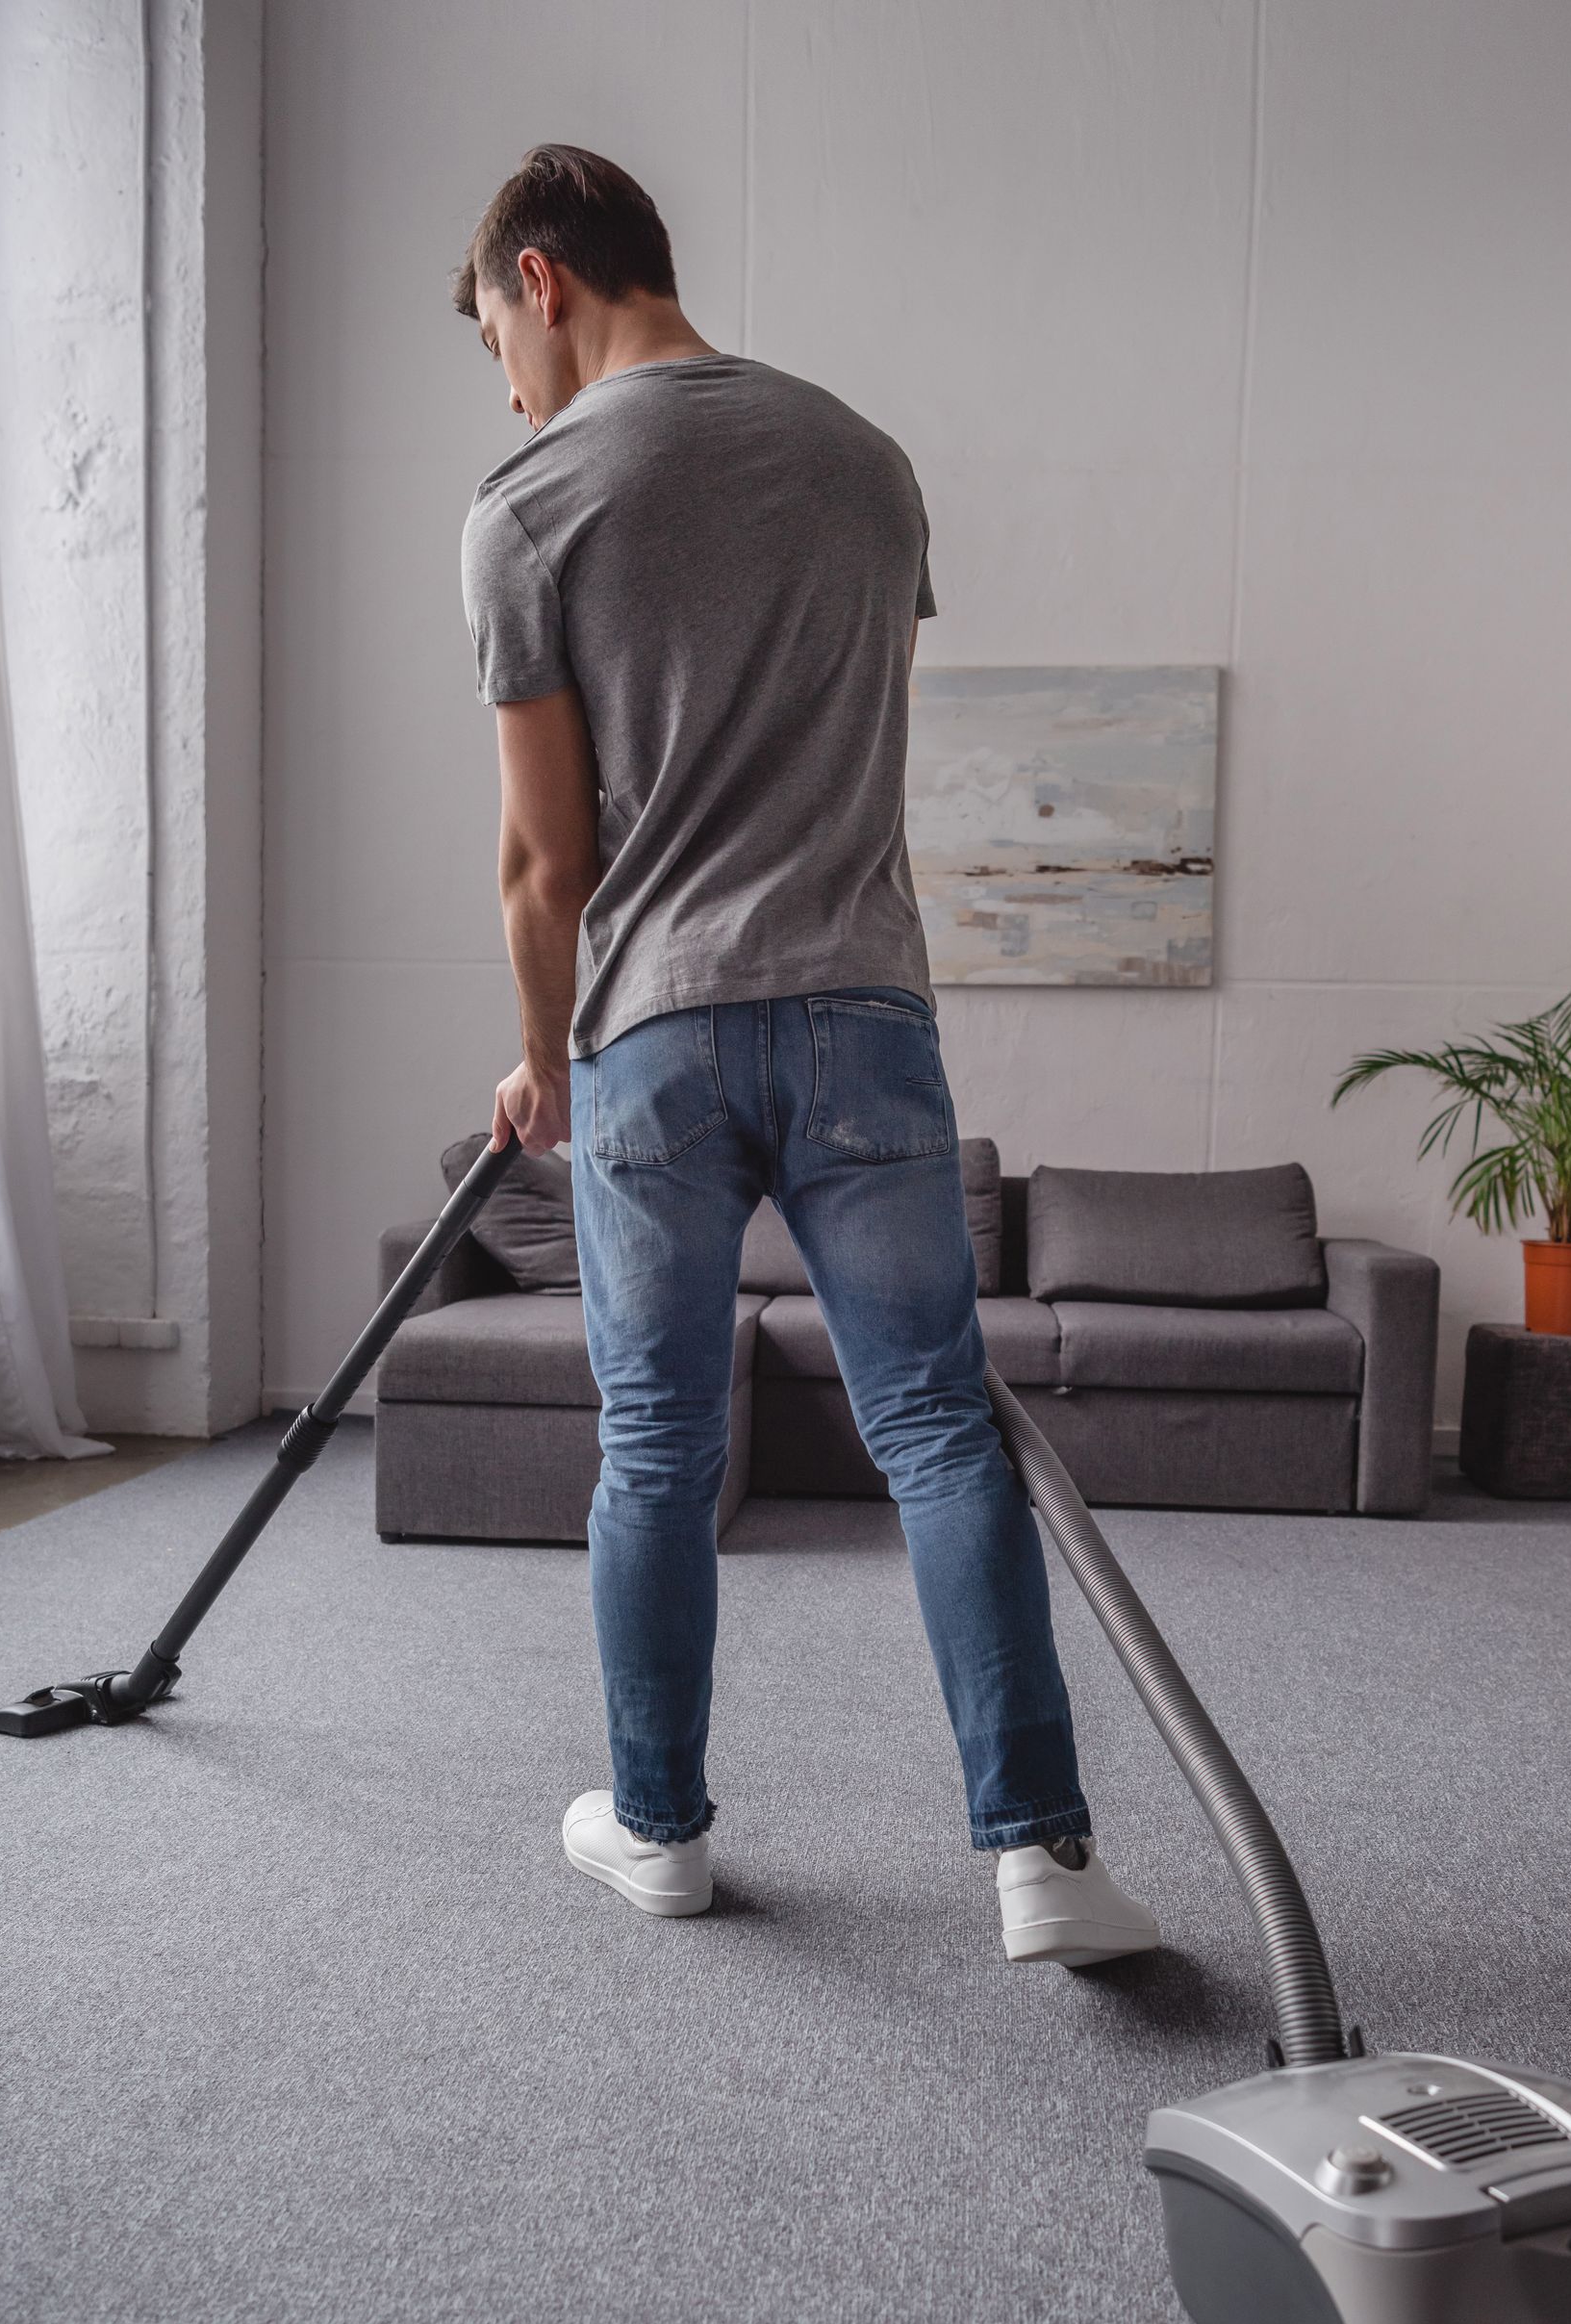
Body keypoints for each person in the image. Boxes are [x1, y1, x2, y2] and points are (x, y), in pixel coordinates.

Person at [455, 143, 1158, 1968]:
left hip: (656, 1035)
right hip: (864, 1011)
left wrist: (546, 1052)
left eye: (489, 339)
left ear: (540, 279)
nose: (503, 384)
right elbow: (847, 756)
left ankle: (663, 1829)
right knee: (934, 1427)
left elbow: (549, 858)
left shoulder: (531, 500)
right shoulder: (869, 463)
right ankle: (1043, 1856)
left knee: (661, 1443)